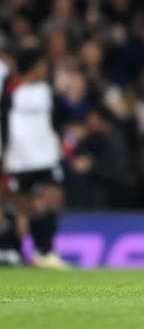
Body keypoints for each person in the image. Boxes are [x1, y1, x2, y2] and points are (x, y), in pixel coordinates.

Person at [0, 47, 70, 268]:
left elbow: (57, 120)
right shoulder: (10, 91)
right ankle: (13, 250)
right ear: (32, 66)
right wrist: (4, 153)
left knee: (53, 198)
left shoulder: (47, 90)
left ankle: (45, 251)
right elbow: (3, 123)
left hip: (46, 157)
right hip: (20, 159)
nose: (45, 69)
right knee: (18, 203)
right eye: (41, 64)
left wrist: (61, 141)